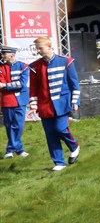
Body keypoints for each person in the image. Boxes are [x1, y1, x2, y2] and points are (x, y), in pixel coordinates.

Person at [27, 36, 80, 171]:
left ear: (49, 46)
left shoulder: (66, 61)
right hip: (44, 106)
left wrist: (75, 101)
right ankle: (59, 162)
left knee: (60, 129)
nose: (38, 51)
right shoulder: (34, 66)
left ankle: (74, 146)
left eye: (40, 48)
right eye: (37, 49)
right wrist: (33, 105)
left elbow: (74, 84)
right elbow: (33, 88)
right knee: (50, 134)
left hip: (62, 104)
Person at [1, 44, 31, 158]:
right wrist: (9, 85)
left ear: (12, 54)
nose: (2, 55)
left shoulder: (24, 66)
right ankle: (18, 150)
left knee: (18, 125)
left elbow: (22, 84)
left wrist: (6, 85)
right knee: (9, 126)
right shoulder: (1, 68)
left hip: (21, 100)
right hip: (7, 101)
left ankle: (10, 149)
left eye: (4, 53)